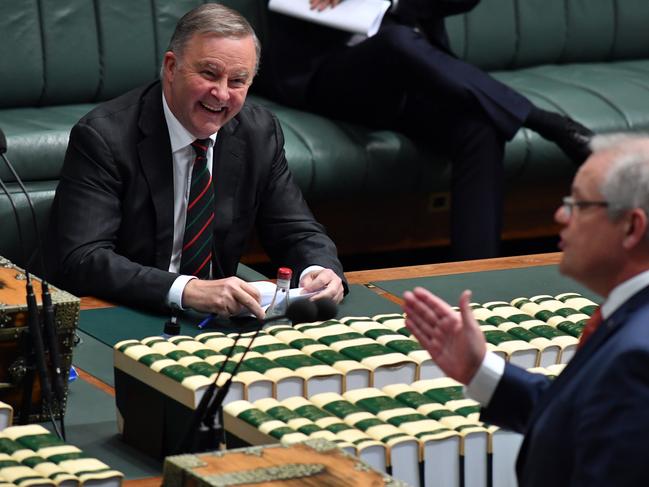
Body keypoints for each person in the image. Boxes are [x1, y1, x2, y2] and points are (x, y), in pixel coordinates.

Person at [46, 3, 345, 318]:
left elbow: (296, 229)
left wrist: (319, 268)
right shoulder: (105, 136)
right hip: (124, 312)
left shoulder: (258, 132)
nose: (221, 94)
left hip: (215, 321)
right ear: (172, 68)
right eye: (209, 74)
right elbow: (83, 258)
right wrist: (186, 290)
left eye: (237, 81)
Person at [256, 0, 594, 260]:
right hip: (326, 75)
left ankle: (476, 281)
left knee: (479, 128)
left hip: (413, 79)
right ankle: (543, 121)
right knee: (396, 40)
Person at [402, 133, 649, 486]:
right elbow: (580, 423)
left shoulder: (638, 359)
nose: (560, 214)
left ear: (631, 227)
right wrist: (479, 368)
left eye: (578, 204)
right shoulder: (631, 322)